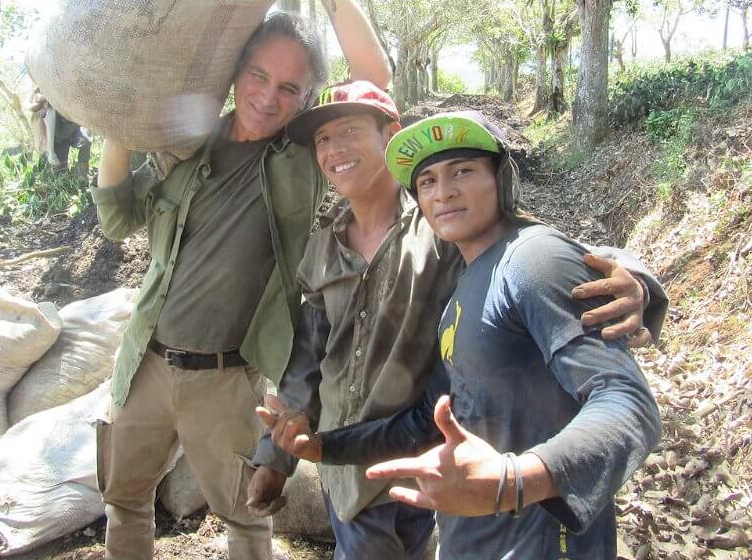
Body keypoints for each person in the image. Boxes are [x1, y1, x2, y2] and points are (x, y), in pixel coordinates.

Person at [255, 94, 666, 560]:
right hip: (440, 510)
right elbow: (422, 412)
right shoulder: (456, 284)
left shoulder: (512, 256)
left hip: (529, 528)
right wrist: (318, 449)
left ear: (501, 179)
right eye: (428, 180)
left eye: (463, 171)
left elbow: (626, 399)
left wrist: (639, 281)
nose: (443, 191)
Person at [89, 0, 390, 560]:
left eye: (289, 89)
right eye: (258, 75)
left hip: (230, 376)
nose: (267, 96)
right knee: (124, 501)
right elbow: (117, 220)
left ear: (308, 101)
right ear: (236, 73)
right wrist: (119, 123)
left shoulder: (304, 155)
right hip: (146, 361)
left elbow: (373, 78)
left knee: (248, 519)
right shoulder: (185, 146)